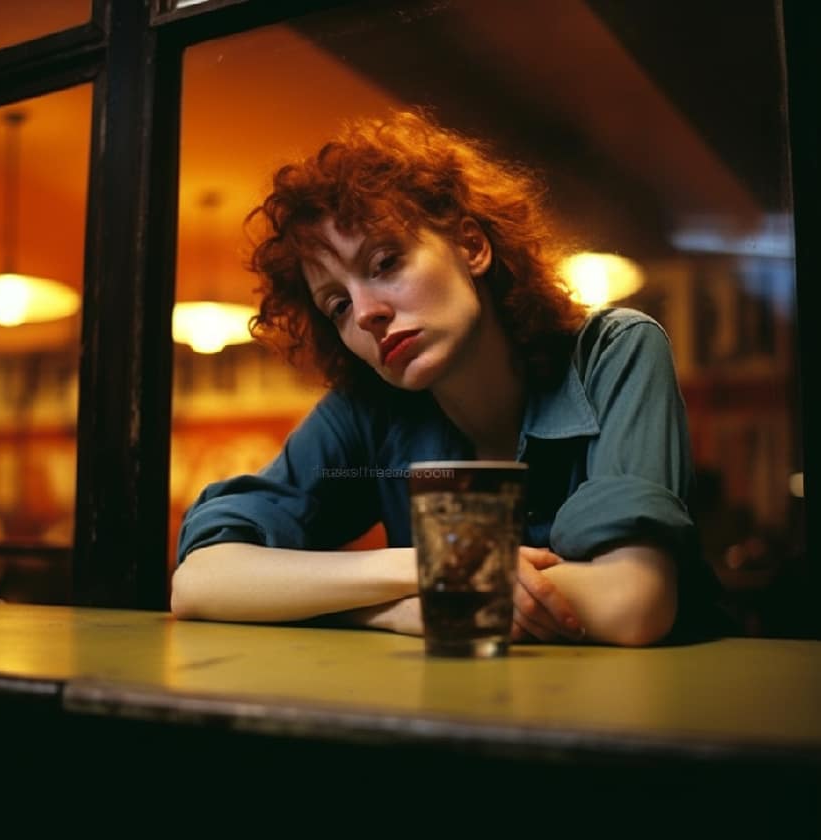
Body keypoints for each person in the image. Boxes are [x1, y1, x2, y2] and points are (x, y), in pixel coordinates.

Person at [172, 109, 722, 646]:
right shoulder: (368, 407)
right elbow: (201, 582)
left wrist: (377, 605)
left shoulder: (614, 351)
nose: (365, 314)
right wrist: (410, 580)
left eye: (385, 262)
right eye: (336, 304)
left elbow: (631, 603)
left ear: (472, 247)